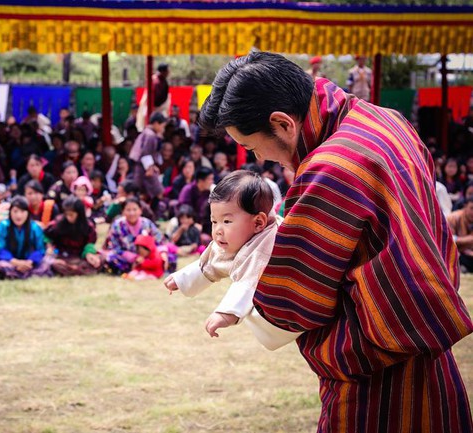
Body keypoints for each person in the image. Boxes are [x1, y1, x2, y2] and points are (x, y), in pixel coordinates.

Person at [198, 50, 472, 432]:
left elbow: (294, 303)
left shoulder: (331, 169)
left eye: (254, 146)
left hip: (377, 375)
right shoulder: (384, 119)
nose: (259, 159)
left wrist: (246, 266)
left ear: (283, 124)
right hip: (427, 345)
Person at [165, 170, 300, 349]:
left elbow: (248, 282)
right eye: (214, 221)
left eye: (227, 221)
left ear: (259, 222)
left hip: (291, 310)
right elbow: (214, 259)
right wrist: (182, 279)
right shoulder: (241, 236)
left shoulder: (266, 244)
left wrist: (225, 314)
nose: (218, 230)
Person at [103, 197, 168, 275]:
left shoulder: (147, 223)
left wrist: (163, 254)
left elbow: (159, 241)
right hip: (126, 258)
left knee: (168, 257)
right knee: (111, 259)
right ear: (123, 211)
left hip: (148, 258)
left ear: (140, 210)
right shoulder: (117, 225)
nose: (132, 213)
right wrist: (133, 257)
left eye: (134, 209)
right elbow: (114, 247)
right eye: (128, 210)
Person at [0, 196, 51, 279]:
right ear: (10, 212)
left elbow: (40, 249)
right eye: (15, 211)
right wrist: (16, 262)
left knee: (46, 263)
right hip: (10, 262)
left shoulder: (34, 227)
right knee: (1, 266)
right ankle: (26, 275)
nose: (18, 215)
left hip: (30, 263)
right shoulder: (4, 226)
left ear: (27, 213)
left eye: (22, 211)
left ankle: (20, 274)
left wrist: (29, 262)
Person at [44, 196, 101, 276]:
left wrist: (89, 254)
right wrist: (49, 247)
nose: (68, 217)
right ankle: (77, 270)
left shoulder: (88, 226)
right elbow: (46, 236)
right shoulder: (58, 223)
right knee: (54, 264)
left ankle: (74, 269)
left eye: (71, 215)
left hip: (79, 257)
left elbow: (90, 243)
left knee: (100, 259)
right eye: (66, 214)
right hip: (61, 256)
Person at [128, 112, 166, 201]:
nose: (163, 129)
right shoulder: (150, 135)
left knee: (139, 191)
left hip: (142, 166)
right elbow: (146, 153)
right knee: (158, 191)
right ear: (156, 123)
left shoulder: (147, 132)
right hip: (143, 167)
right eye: (162, 126)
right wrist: (150, 168)